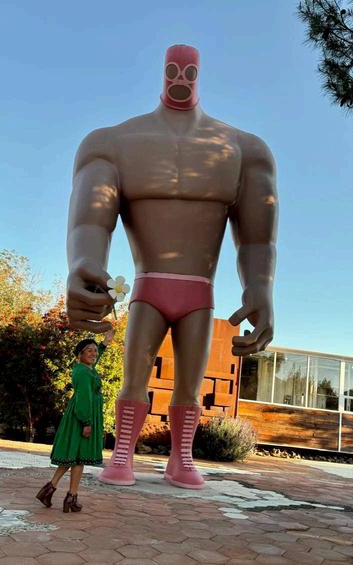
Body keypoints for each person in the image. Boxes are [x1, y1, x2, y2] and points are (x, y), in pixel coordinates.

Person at [66, 44, 278, 490]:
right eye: (173, 71)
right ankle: (122, 455)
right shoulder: (113, 144)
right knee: (134, 381)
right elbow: (90, 220)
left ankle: (182, 459)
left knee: (189, 387)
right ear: (163, 72)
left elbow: (258, 239)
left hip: (199, 292)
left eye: (188, 72)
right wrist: (84, 264)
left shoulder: (245, 151)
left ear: (198, 75)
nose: (180, 79)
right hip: (149, 286)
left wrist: (260, 288)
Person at [36, 329, 115, 511]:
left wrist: (104, 343)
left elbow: (95, 360)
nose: (94, 354)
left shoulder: (86, 369)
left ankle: (58, 493)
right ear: (80, 355)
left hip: (83, 415)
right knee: (77, 457)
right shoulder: (83, 372)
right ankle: (66, 497)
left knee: (77, 457)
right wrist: (86, 422)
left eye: (95, 351)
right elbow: (83, 398)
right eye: (89, 351)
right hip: (81, 417)